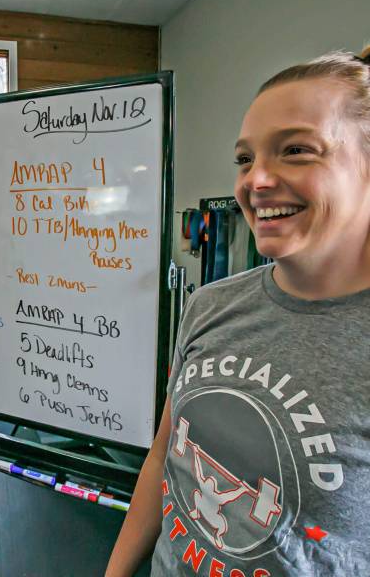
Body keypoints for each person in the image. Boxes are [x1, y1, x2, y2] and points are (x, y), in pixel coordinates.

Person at [106, 49, 370, 576]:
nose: (257, 181)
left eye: (296, 150)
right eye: (245, 159)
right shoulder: (209, 306)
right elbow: (164, 459)